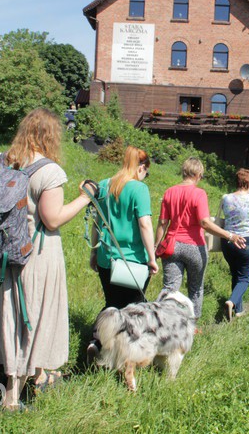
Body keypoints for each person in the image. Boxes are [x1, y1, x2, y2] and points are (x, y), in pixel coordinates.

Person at [0, 108, 94, 410]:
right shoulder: (49, 172)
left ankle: (36, 375)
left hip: (3, 254)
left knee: (12, 316)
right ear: (51, 136)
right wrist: (85, 197)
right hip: (37, 256)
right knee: (32, 318)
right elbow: (52, 219)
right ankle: (11, 398)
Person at [86, 146, 158, 362]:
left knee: (111, 303)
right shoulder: (139, 189)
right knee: (133, 309)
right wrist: (152, 258)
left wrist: (93, 252)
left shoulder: (106, 184)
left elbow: (97, 222)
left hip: (106, 258)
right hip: (132, 261)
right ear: (141, 168)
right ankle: (125, 357)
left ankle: (97, 342)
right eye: (146, 172)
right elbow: (145, 225)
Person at [155, 158, 245, 320]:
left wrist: (155, 247)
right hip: (194, 246)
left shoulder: (169, 192)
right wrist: (229, 235)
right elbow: (204, 222)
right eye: (201, 176)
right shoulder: (199, 193)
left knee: (169, 289)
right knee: (195, 288)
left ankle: (163, 322)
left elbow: (162, 222)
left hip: (172, 245)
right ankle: (192, 324)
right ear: (197, 174)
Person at [220, 168, 249, 320]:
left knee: (235, 273)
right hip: (247, 241)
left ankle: (238, 310)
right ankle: (232, 301)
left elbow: (220, 218)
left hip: (228, 240)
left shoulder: (226, 198)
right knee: (245, 276)